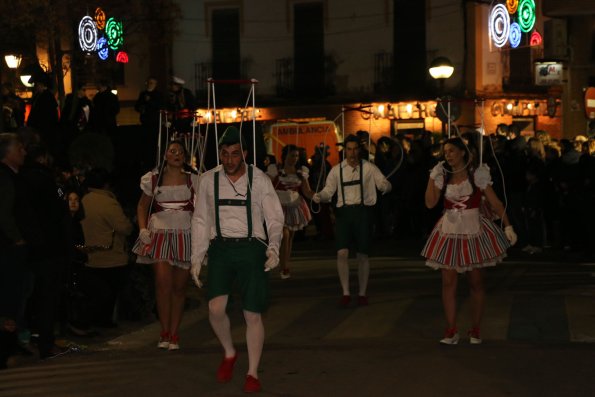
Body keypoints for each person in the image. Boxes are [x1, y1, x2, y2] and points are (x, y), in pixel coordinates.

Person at [190, 126, 284, 393]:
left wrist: (274, 248)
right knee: (215, 309)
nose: (229, 160)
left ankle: (252, 372)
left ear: (244, 153)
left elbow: (275, 219)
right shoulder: (208, 180)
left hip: (252, 248)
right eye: (224, 154)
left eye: (234, 154)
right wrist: (196, 257)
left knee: (252, 313)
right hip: (220, 248)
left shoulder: (260, 179)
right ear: (219, 154)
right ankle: (229, 352)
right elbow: (200, 220)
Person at [422, 137, 517, 345]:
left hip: (473, 229)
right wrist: (431, 178)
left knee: (476, 282)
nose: (447, 155)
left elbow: (495, 202)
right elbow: (430, 203)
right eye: (445, 151)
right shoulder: (442, 176)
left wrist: (507, 225)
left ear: (463, 152)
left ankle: (475, 329)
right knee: (448, 282)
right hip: (449, 230)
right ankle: (451, 330)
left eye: (452, 151)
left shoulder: (477, 175)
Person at [131, 140, 199, 350]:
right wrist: (143, 230)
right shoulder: (153, 179)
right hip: (160, 234)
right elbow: (142, 206)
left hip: (185, 235)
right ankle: (164, 331)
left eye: (180, 151)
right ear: (165, 156)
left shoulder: (193, 180)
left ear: (185, 157)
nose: (176, 154)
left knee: (179, 288)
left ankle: (175, 334)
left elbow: (203, 210)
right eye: (172, 151)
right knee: (162, 284)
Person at [313, 134, 392, 306]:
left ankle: (362, 293)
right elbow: (329, 191)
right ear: (345, 150)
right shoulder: (336, 170)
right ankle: (346, 292)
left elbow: (383, 183)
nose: (352, 153)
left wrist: (385, 187)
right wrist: (320, 196)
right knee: (342, 253)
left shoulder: (369, 168)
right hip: (343, 214)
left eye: (355, 149)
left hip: (363, 213)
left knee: (363, 254)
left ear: (360, 150)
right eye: (349, 149)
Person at [80, 168, 132, 328]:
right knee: (109, 292)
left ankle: (91, 322)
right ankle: (101, 322)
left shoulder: (84, 199)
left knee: (94, 292)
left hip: (88, 253)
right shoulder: (108, 202)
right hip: (110, 255)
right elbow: (124, 227)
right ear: (106, 184)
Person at [0, 133, 28, 366]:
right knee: (10, 297)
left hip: (8, 245)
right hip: (8, 248)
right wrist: (17, 238)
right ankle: (6, 351)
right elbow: (5, 212)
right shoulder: (6, 177)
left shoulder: (12, 176)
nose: (23, 152)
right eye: (19, 148)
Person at [271, 144, 314, 279]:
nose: (294, 158)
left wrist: (318, 195)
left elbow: (307, 191)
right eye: (292, 155)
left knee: (290, 239)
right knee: (285, 235)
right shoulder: (275, 170)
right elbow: (267, 188)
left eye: (296, 156)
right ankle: (283, 266)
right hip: (279, 207)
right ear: (285, 156)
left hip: (295, 206)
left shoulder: (301, 173)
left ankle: (285, 265)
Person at [135, 76, 164, 169]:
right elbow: (137, 106)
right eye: (148, 83)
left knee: (154, 144)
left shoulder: (158, 95)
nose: (149, 85)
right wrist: (141, 107)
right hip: (145, 122)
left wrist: (149, 102)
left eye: (152, 83)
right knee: (145, 144)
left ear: (155, 85)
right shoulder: (143, 94)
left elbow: (159, 106)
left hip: (154, 123)